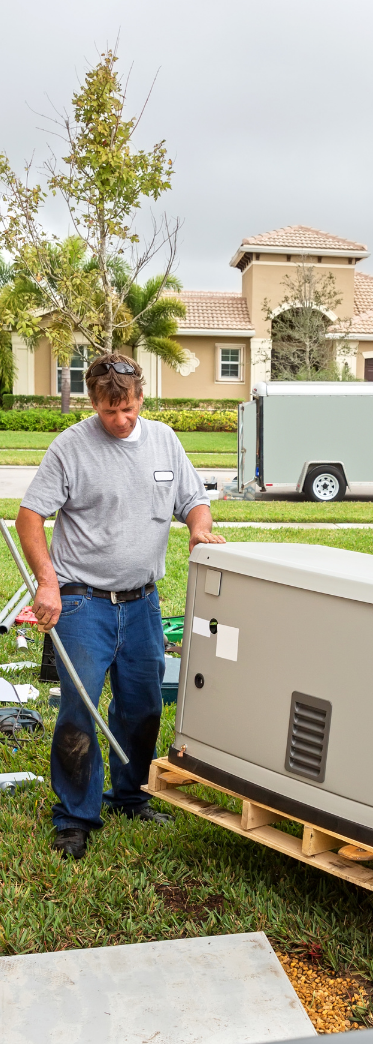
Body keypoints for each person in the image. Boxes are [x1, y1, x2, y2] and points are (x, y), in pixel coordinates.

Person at [17, 353, 226, 861]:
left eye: (129, 408)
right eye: (110, 411)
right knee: (79, 710)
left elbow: (193, 501)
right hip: (82, 601)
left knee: (143, 706)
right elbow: (29, 516)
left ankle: (131, 796)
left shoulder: (164, 440)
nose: (121, 419)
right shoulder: (71, 447)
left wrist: (199, 528)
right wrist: (47, 582)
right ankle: (75, 816)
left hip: (142, 604)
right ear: (93, 403)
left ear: (140, 398)